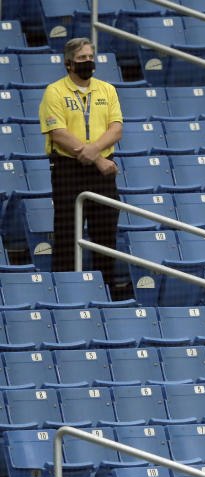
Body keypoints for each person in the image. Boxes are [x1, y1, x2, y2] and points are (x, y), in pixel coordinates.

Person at [39, 37, 123, 295]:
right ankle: (64, 293)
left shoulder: (107, 90)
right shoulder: (54, 91)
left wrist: (96, 153)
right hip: (68, 169)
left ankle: (105, 291)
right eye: (82, 58)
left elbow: (116, 128)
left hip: (102, 173)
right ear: (68, 64)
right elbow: (58, 132)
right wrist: (97, 158)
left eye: (90, 57)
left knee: (105, 233)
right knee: (66, 233)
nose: (88, 62)